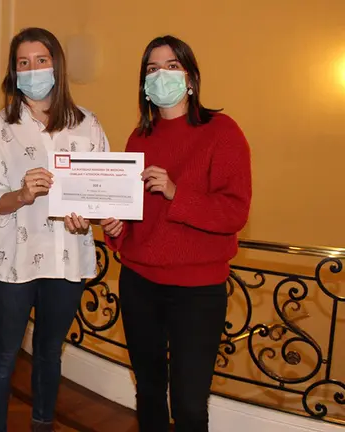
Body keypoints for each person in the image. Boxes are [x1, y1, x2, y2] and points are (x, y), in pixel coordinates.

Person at [100, 35, 252, 432]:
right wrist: (116, 229)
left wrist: (175, 191)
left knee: (187, 403)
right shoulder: (139, 138)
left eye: (171, 66)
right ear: (143, 83)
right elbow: (134, 214)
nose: (161, 75)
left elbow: (234, 211)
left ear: (191, 77)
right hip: (138, 282)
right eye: (152, 69)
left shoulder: (222, 132)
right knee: (148, 391)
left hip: (197, 291)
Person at [0, 27, 110, 432]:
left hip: (67, 257)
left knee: (51, 352)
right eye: (23, 63)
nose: (32, 69)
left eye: (41, 60)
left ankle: (42, 424)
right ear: (13, 73)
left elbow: (106, 195)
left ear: (57, 65)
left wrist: (90, 214)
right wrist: (21, 194)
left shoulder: (87, 124)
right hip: (12, 261)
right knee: (3, 354)